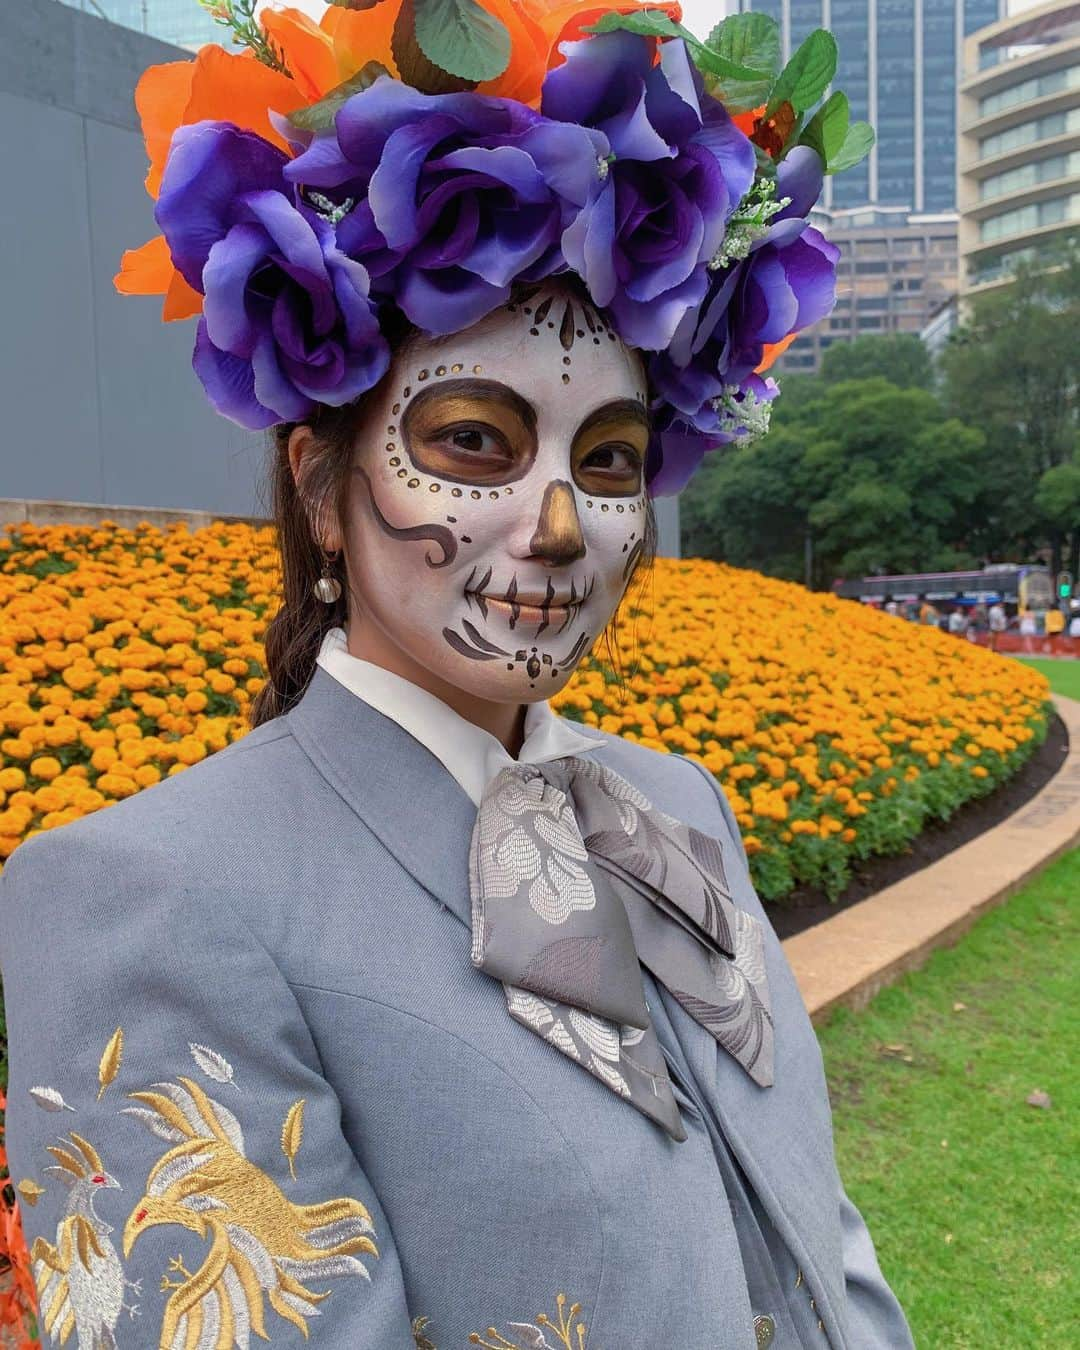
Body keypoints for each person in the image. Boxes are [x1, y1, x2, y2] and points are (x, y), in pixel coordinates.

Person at [0, 5, 913, 1347]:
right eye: (477, 440)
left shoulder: (679, 802)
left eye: (604, 461)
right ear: (323, 488)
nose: (558, 522)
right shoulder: (151, 897)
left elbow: (822, 1241)